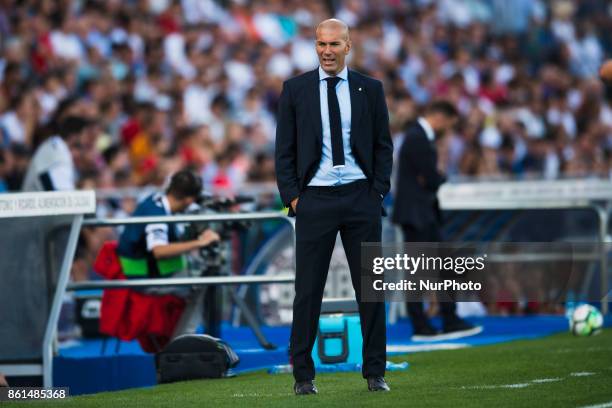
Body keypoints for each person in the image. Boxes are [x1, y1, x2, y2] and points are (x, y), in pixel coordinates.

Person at [275, 19, 393, 395]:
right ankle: (303, 377)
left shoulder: (370, 89)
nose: (326, 50)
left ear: (348, 45)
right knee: (307, 291)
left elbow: (383, 145)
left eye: (334, 44)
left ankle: (376, 372)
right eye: (320, 44)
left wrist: (376, 193)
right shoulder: (295, 90)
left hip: (361, 197)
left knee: (370, 291)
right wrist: (295, 199)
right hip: (315, 200)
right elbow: (284, 152)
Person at [392, 101, 482, 340]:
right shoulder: (418, 138)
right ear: (440, 117)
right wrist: (438, 175)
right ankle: (425, 324)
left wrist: (434, 176)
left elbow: (428, 177)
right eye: (450, 125)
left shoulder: (418, 136)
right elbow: (431, 178)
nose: (449, 131)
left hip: (422, 213)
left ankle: (444, 319)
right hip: (417, 214)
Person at [117, 170, 220, 280]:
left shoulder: (158, 200)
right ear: (189, 200)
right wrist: (200, 242)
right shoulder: (157, 213)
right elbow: (159, 251)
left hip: (150, 272)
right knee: (198, 283)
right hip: (140, 279)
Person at [21, 116, 93, 191]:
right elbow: (60, 192)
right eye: (84, 134)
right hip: (34, 199)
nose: (85, 139)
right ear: (74, 136)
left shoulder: (55, 145)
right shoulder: (58, 151)